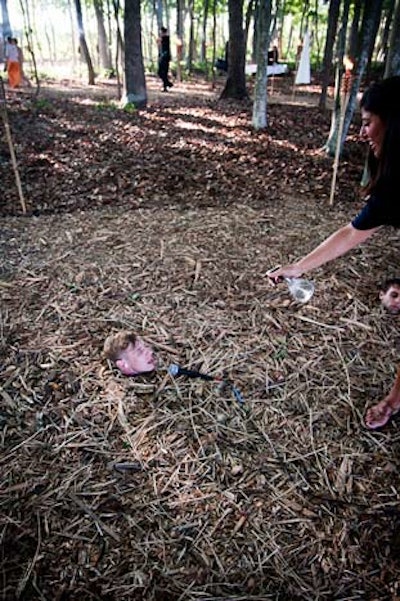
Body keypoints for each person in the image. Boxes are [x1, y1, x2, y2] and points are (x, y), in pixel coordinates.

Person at [268, 76, 400, 430]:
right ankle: (394, 400)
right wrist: (298, 266)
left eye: (368, 122)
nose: (362, 132)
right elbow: (353, 232)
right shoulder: (391, 184)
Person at [157, 26, 173, 92]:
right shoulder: (163, 38)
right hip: (163, 57)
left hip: (165, 57)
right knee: (161, 72)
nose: (160, 33)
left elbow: (160, 41)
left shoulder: (165, 38)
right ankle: (167, 84)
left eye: (161, 32)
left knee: (163, 72)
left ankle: (166, 85)